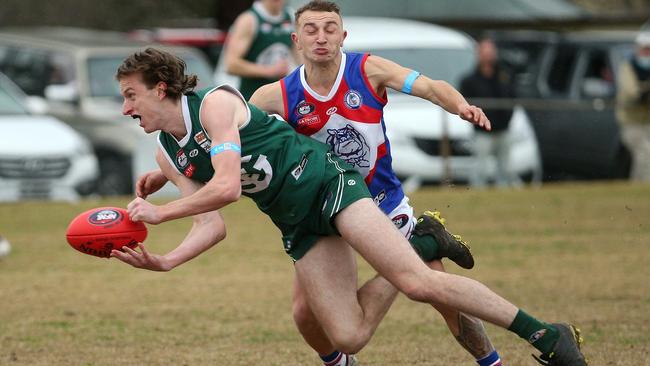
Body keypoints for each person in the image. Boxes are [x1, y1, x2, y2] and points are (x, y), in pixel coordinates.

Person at [114, 45, 586, 365]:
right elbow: (211, 225)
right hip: (297, 222)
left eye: (131, 95)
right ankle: (421, 243)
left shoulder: (214, 104)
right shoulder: (167, 151)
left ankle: (545, 333)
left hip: (328, 185)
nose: (126, 108)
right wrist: (165, 260)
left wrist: (160, 213)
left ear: (160, 87)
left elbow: (228, 187)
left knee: (420, 286)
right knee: (349, 336)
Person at [460, 37, 521, 188]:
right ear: (478, 54)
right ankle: (477, 193)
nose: (488, 56)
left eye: (490, 52)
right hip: (481, 132)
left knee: (505, 167)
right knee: (480, 167)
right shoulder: (469, 80)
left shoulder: (505, 76)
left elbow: (512, 97)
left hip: (503, 129)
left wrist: (507, 119)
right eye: (484, 52)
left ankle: (504, 193)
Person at [222, 0, 296, 100]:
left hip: (281, 99)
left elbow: (301, 59)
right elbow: (231, 65)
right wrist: (269, 71)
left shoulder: (292, 17)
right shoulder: (249, 19)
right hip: (251, 98)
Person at [616, 27, 650, 181]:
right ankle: (640, 188)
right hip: (632, 123)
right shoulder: (628, 67)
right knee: (644, 154)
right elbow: (633, 94)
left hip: (647, 122)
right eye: (645, 49)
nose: (647, 53)